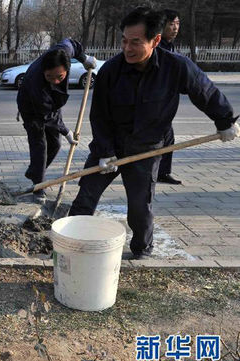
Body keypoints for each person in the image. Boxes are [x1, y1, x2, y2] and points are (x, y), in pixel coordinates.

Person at [69, 6, 239, 259]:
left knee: (139, 206)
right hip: (109, 147)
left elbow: (204, 91)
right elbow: (99, 117)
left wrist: (225, 120)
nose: (128, 48)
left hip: (147, 149)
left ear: (156, 40)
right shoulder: (111, 71)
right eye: (125, 41)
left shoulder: (176, 67)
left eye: (136, 42)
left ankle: (141, 250)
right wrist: (104, 152)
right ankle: (69, 243)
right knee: (85, 197)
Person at [16, 39, 97, 203]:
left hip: (52, 102)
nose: (55, 81)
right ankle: (38, 185)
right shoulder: (35, 83)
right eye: (49, 77)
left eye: (60, 76)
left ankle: (35, 172)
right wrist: (66, 131)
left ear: (67, 68)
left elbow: (72, 44)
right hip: (32, 109)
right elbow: (47, 115)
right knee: (40, 145)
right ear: (43, 72)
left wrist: (84, 58)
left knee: (56, 144)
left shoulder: (63, 51)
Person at [157, 8, 182, 185]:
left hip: (166, 101)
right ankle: (158, 171)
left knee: (168, 137)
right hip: (156, 101)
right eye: (171, 24)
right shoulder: (158, 47)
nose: (175, 28)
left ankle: (162, 172)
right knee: (162, 137)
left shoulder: (170, 47)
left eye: (177, 24)